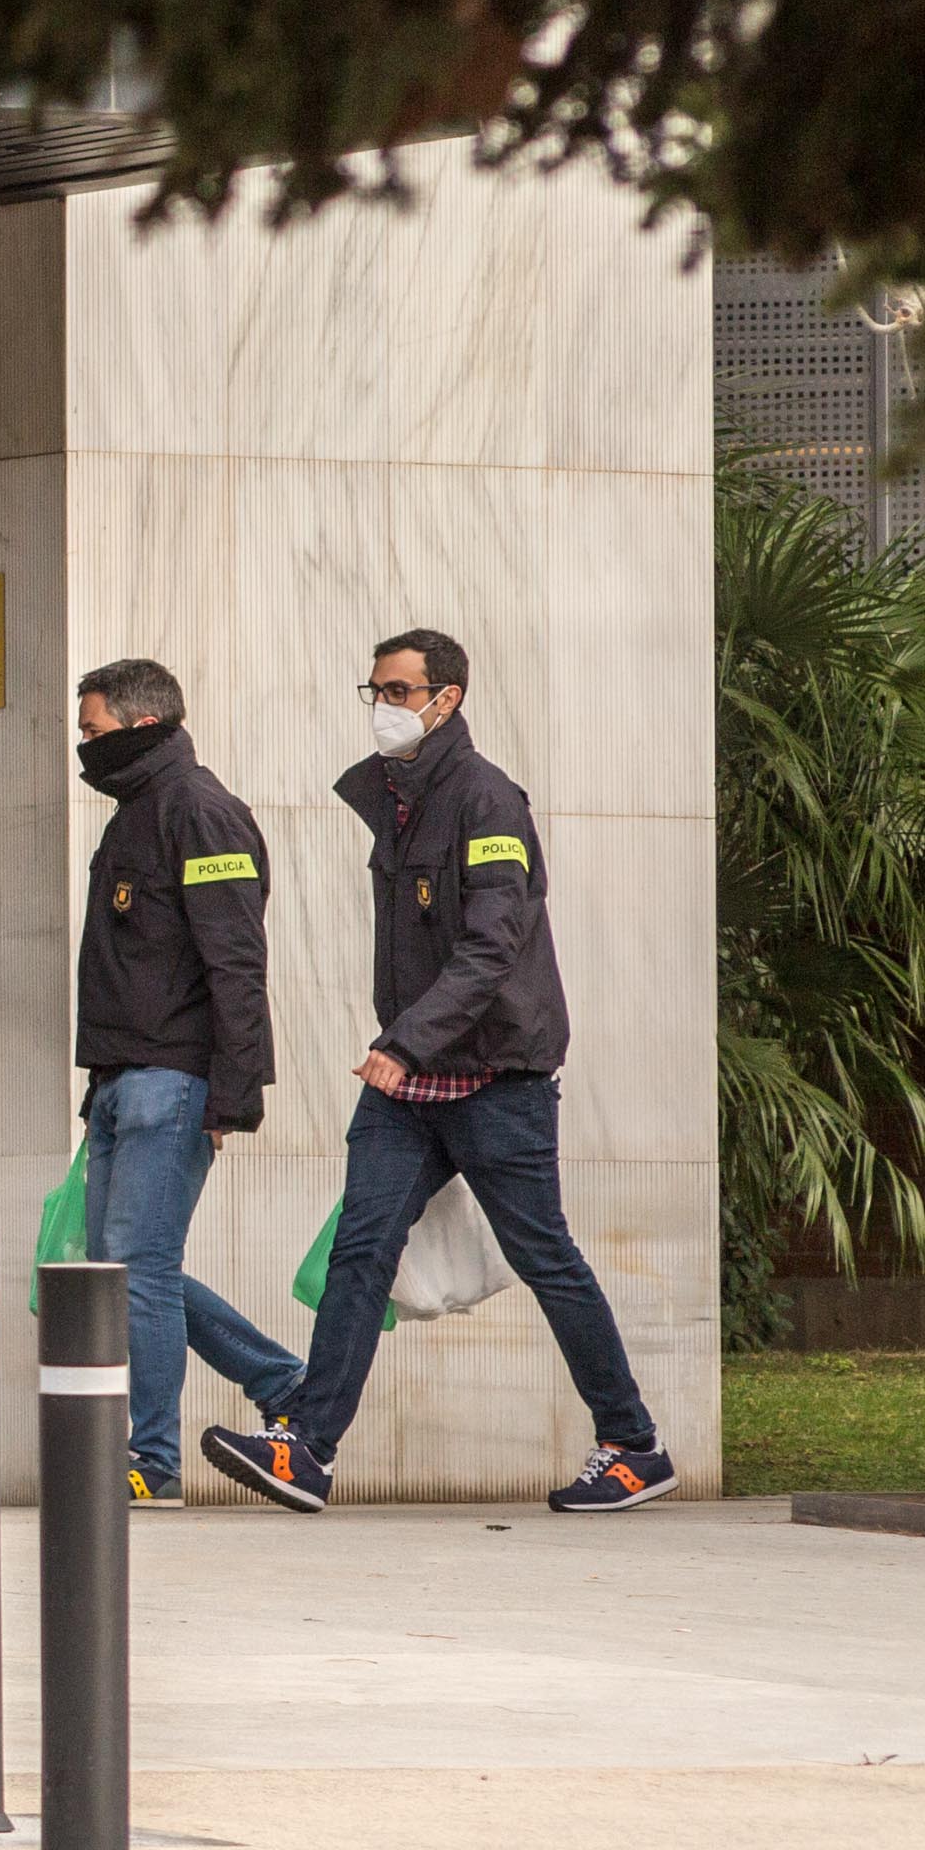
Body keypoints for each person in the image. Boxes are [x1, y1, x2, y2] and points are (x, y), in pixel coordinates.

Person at [203, 629, 676, 1514]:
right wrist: (407, 1047)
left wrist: (405, 1040)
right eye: (374, 689)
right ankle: (306, 1447)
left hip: (494, 1070)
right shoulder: (399, 796)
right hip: (412, 1080)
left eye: (397, 689)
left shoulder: (488, 800)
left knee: (545, 1256)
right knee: (361, 1248)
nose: (382, 704)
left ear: (445, 698)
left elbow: (495, 942)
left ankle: (632, 1444)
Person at [70, 657, 302, 1500]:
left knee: (136, 1269)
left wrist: (234, 1094)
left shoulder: (201, 813)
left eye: (92, 730)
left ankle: (151, 1462)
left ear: (141, 724)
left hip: (173, 1083)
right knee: (123, 1271)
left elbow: (237, 964)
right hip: (122, 1081)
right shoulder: (137, 814)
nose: (83, 746)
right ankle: (284, 1384)